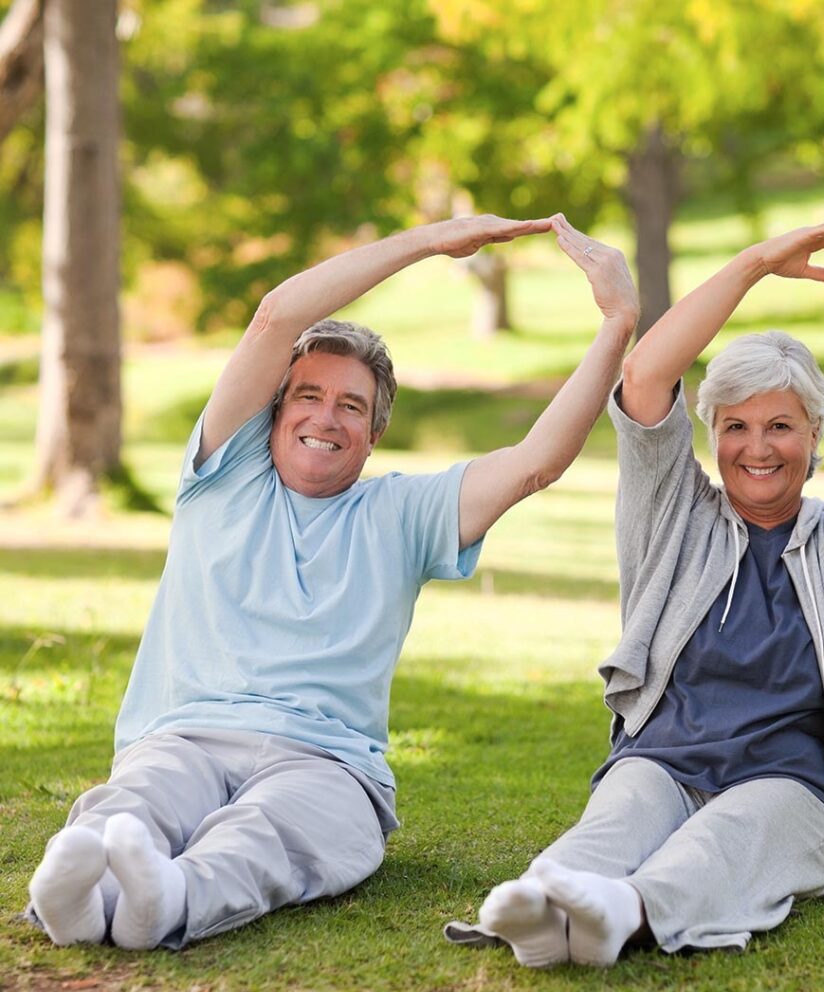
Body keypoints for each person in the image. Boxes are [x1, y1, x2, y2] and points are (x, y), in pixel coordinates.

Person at [26, 213, 640, 950]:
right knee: (141, 800)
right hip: (185, 733)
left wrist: (618, 322)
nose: (326, 417)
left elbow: (537, 460)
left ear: (374, 432)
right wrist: (428, 242)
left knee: (271, 831)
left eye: (351, 405)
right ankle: (79, 899)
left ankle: (172, 896)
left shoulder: (404, 513)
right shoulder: (223, 478)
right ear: (275, 413)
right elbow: (275, 317)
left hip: (325, 764)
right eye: (309, 396)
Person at [447, 218, 824, 968]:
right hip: (662, 760)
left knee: (724, 840)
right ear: (711, 434)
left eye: (781, 426)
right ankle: (548, 896)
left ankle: (620, 915)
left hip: (791, 788)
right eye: (735, 426)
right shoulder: (676, 512)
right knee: (620, 817)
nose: (757, 448)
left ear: (815, 434)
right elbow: (643, 376)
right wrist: (759, 261)